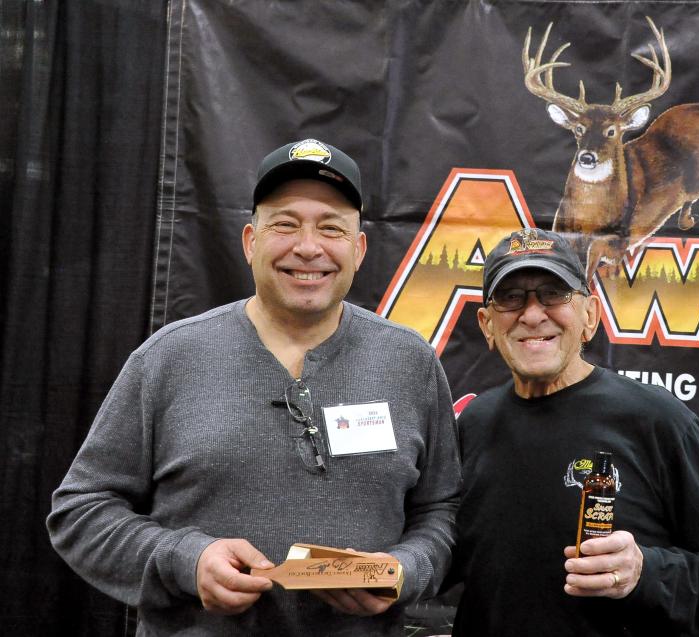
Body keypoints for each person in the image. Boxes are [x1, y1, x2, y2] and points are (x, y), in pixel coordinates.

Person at [48, 138, 461, 636]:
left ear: (358, 249)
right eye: (285, 224)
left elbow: (443, 511)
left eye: (331, 227)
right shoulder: (169, 358)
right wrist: (187, 560)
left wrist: (404, 570)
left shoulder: (409, 361)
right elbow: (81, 512)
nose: (308, 247)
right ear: (250, 241)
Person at [451, 228, 699, 636]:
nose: (531, 314)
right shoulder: (472, 424)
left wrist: (643, 572)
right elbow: (444, 555)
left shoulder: (656, 420)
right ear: (487, 324)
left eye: (552, 294)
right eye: (511, 298)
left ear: (590, 317)